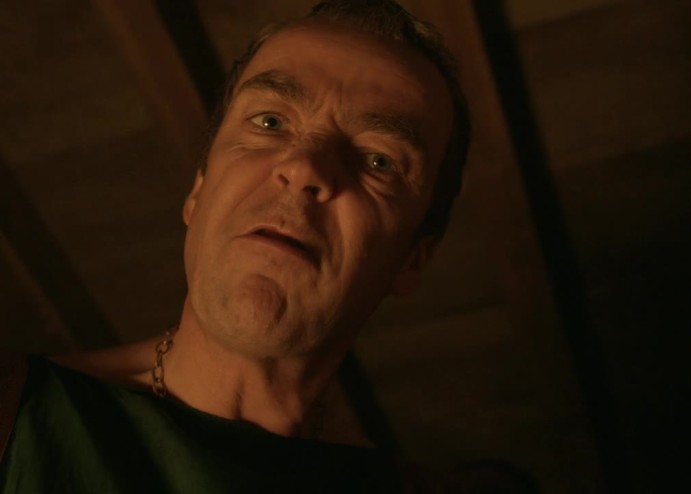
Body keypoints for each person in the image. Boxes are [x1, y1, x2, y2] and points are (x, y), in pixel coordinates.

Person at [0, 0, 470, 491]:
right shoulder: (17, 412)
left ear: (412, 260)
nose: (304, 167)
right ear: (199, 192)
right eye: (270, 122)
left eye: (378, 161)